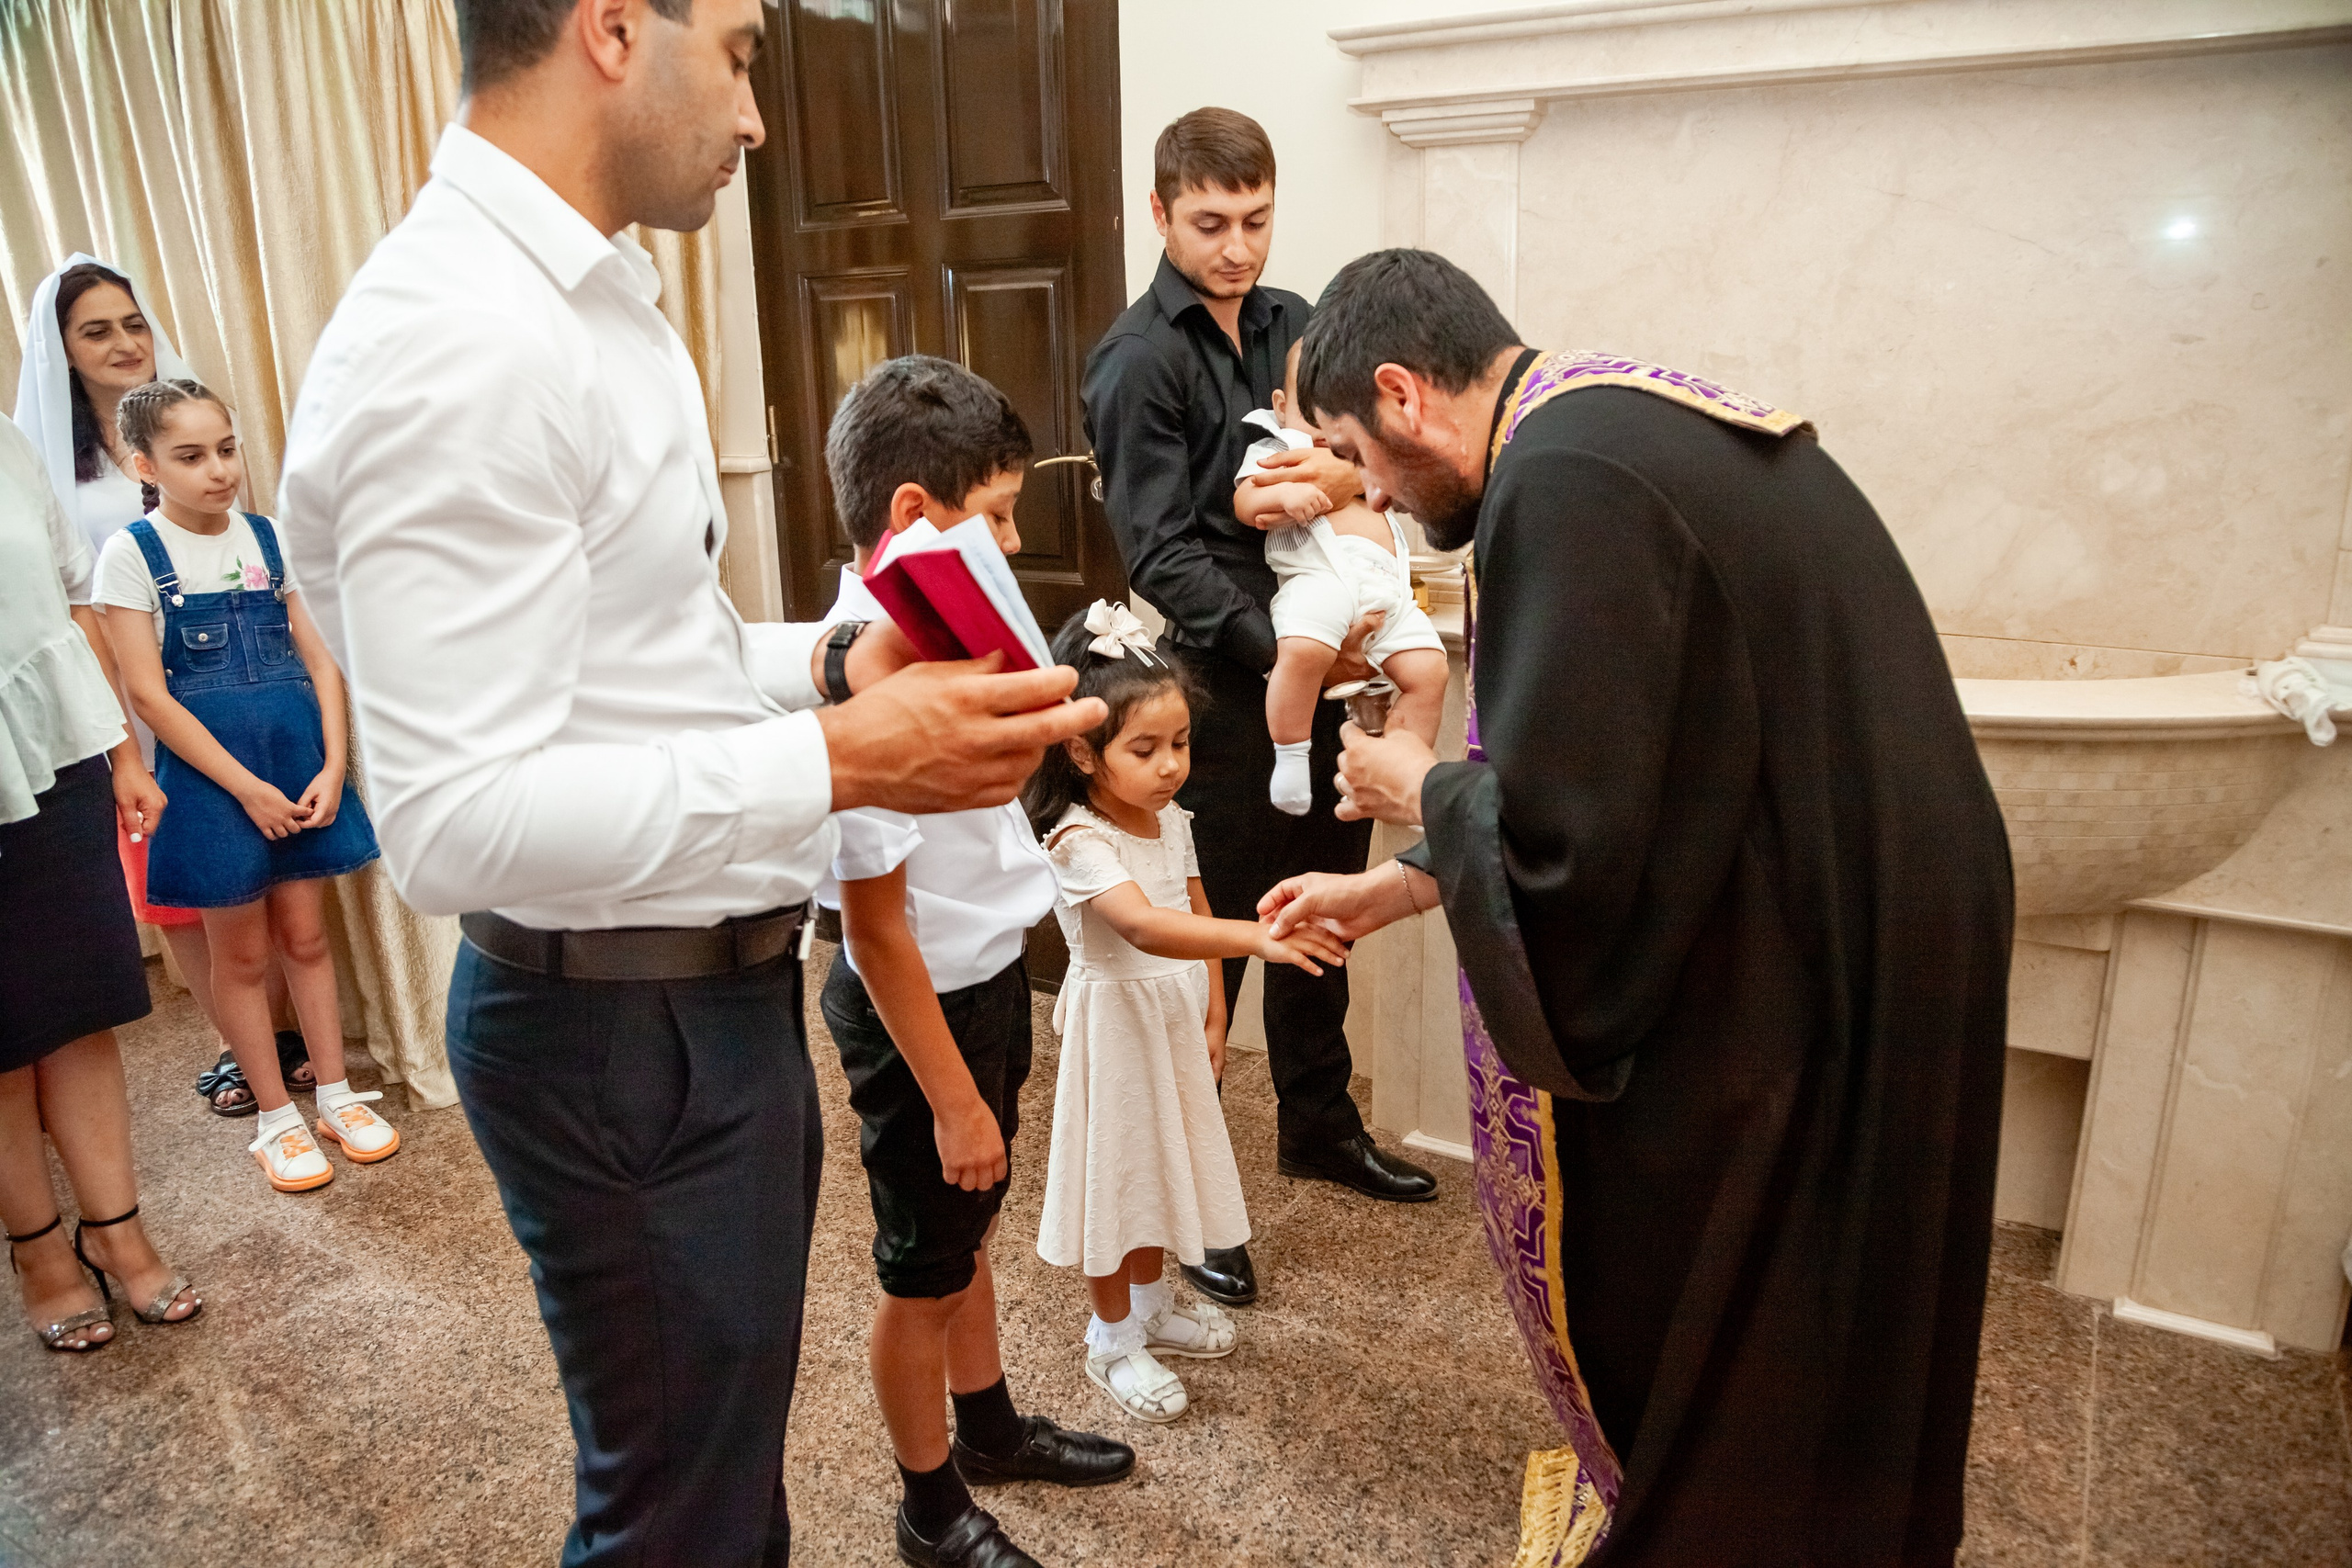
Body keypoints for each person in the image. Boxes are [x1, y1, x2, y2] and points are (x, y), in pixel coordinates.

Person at [277, 4, 1102, 1564]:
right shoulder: (461, 342)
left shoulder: (600, 307)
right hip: (611, 1026)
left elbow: (647, 657)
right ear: (607, 29)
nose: (757, 119)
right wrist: (841, 758)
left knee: (726, 1486)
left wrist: (829, 667)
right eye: (734, 52)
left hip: (699, 1004)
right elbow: (455, 824)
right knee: (678, 1521)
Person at [1260, 249, 2012, 1567]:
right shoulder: (1606, 425)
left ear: (1402, 393)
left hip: (1812, 951)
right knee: (1837, 1302)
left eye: (1354, 451)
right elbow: (1631, 782)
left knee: (1762, 1301)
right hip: (1850, 910)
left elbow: (1572, 868)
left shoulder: (1562, 481)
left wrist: (1418, 786)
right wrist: (1400, 885)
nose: (1369, 491)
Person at [1081, 107, 1434, 1311]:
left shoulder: (1296, 328)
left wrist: (1341, 506)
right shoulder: (1136, 361)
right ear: (1162, 214)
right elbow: (1161, 554)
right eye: (1212, 223)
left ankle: (1319, 1125)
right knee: (1212, 954)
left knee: (1319, 908)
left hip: (1329, 673)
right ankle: (1194, 1200)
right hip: (1219, 704)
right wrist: (1287, 646)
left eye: (1258, 220)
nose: (1238, 248)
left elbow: (1369, 458)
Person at [815, 357, 1136, 1568]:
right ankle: (927, 1500)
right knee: (919, 1272)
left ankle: (991, 1424)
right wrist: (950, 1096)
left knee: (968, 1240)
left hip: (985, 976)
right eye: (994, 515)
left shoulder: (951, 647)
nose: (1013, 539)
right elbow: (875, 928)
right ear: (912, 521)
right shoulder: (873, 682)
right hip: (917, 1015)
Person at [1022, 605, 1351, 1426]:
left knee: (1160, 1172)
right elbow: (1142, 922)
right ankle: (1110, 1335)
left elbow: (1194, 901)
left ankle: (1151, 1302)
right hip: (1117, 1030)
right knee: (1116, 1181)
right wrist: (1261, 939)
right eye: (1145, 749)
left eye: (1180, 744)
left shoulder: (1172, 819)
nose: (1171, 766)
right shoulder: (1074, 838)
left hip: (1172, 1024)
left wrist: (1213, 1013)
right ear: (1081, 751)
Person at [9, 256, 303, 1112]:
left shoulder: (193, 431)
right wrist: (114, 715)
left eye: (132, 323)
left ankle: (274, 1032)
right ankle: (227, 1040)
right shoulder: (48, 460)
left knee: (262, 860)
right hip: (128, 699)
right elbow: (68, 599)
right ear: (60, 349)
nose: (123, 343)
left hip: (230, 681)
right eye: (95, 330)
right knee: (174, 871)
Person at [95, 379, 392, 1193]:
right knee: (245, 953)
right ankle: (274, 1116)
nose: (218, 469)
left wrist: (333, 763)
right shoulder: (132, 554)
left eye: (227, 448)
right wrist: (246, 789)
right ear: (145, 464)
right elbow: (147, 692)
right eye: (191, 456)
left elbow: (319, 655)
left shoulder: (268, 537)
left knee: (307, 937)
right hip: (214, 781)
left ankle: (334, 1093)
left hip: (297, 764)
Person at [0, 407, 201, 1351]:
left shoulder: (4, 438)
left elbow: (73, 602)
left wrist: (122, 752)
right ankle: (38, 1252)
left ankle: (118, 1233)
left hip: (53, 750)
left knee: (78, 1010)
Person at [1236, 338, 1447, 812]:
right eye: (1312, 407)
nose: (1326, 423)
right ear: (1281, 405)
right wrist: (1284, 499)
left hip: (1387, 594)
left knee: (1429, 670)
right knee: (1304, 650)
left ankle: (1403, 771)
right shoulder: (1278, 450)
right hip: (1319, 583)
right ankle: (1290, 756)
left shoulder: (1365, 453)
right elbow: (1245, 501)